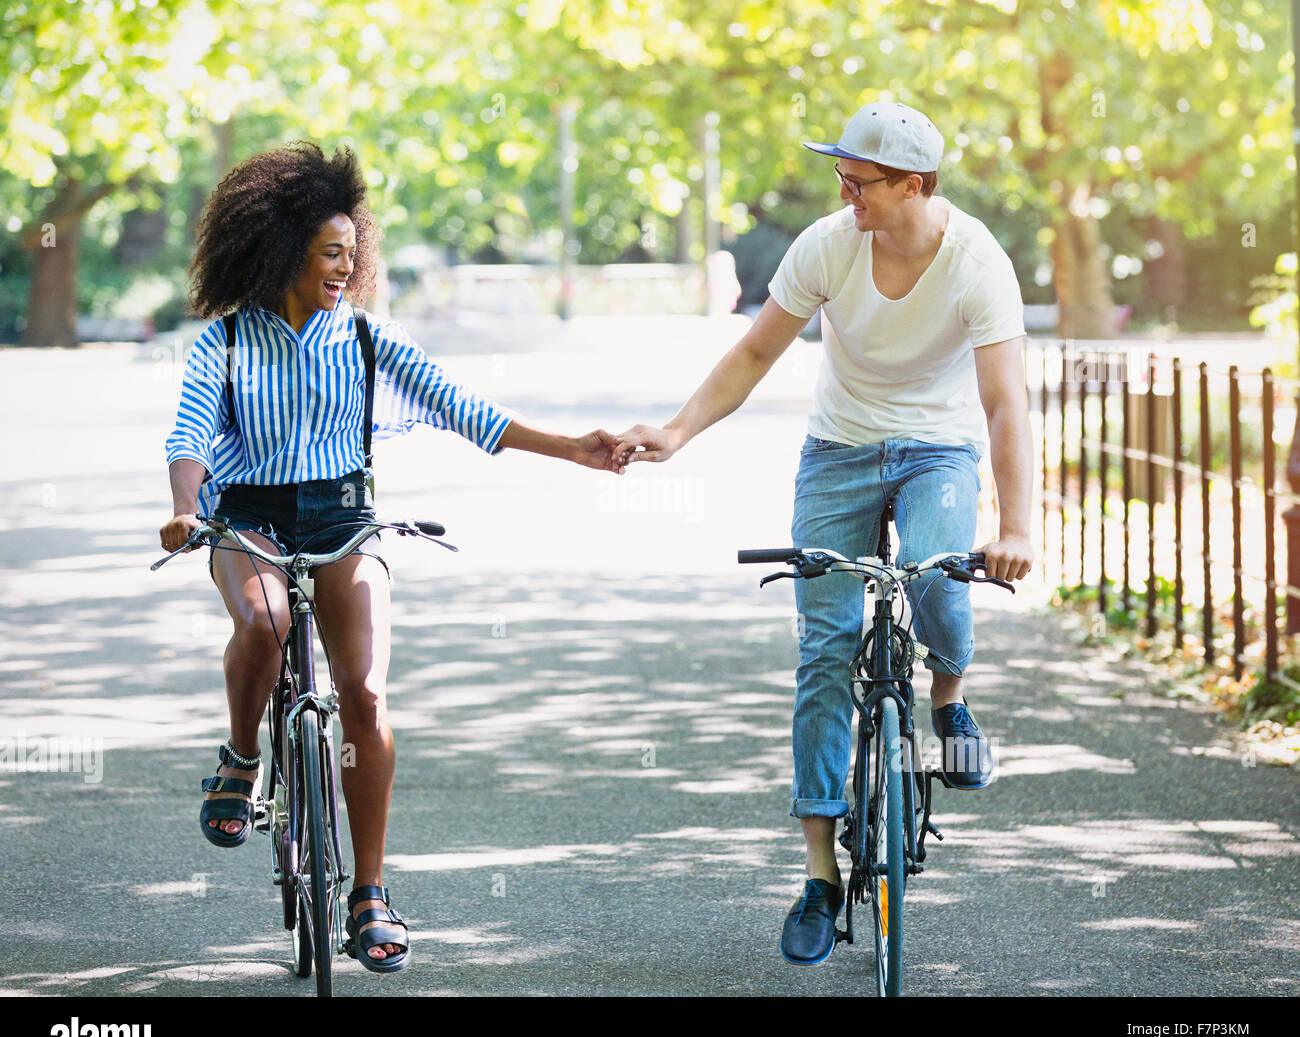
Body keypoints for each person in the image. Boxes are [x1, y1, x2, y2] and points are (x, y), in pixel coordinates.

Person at [160, 141, 620, 973]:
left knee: (364, 692)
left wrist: (572, 448)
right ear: (282, 246)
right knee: (262, 623)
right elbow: (190, 430)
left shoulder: (368, 337)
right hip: (248, 519)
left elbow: (458, 406)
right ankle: (241, 757)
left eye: (351, 250)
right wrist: (186, 508)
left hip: (343, 516)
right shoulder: (224, 341)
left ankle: (367, 890)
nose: (346, 264)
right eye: (330, 251)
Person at [612, 101, 1034, 966]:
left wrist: (1018, 524)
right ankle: (819, 874)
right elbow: (755, 353)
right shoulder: (828, 245)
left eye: (860, 180)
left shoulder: (976, 262)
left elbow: (1004, 402)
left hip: (938, 451)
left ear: (912, 185)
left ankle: (949, 702)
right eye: (840, 176)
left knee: (936, 577)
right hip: (838, 449)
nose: (845, 193)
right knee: (826, 646)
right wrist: (677, 430)